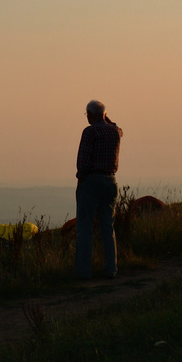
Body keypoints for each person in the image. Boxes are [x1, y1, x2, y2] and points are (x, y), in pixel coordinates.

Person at [73, 100, 121, 279]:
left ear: (90, 115)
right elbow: (118, 128)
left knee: (85, 227)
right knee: (108, 227)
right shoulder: (115, 131)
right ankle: (111, 270)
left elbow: (83, 161)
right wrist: (106, 118)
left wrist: (80, 179)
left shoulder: (90, 132)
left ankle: (84, 272)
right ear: (105, 115)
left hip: (91, 180)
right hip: (111, 180)